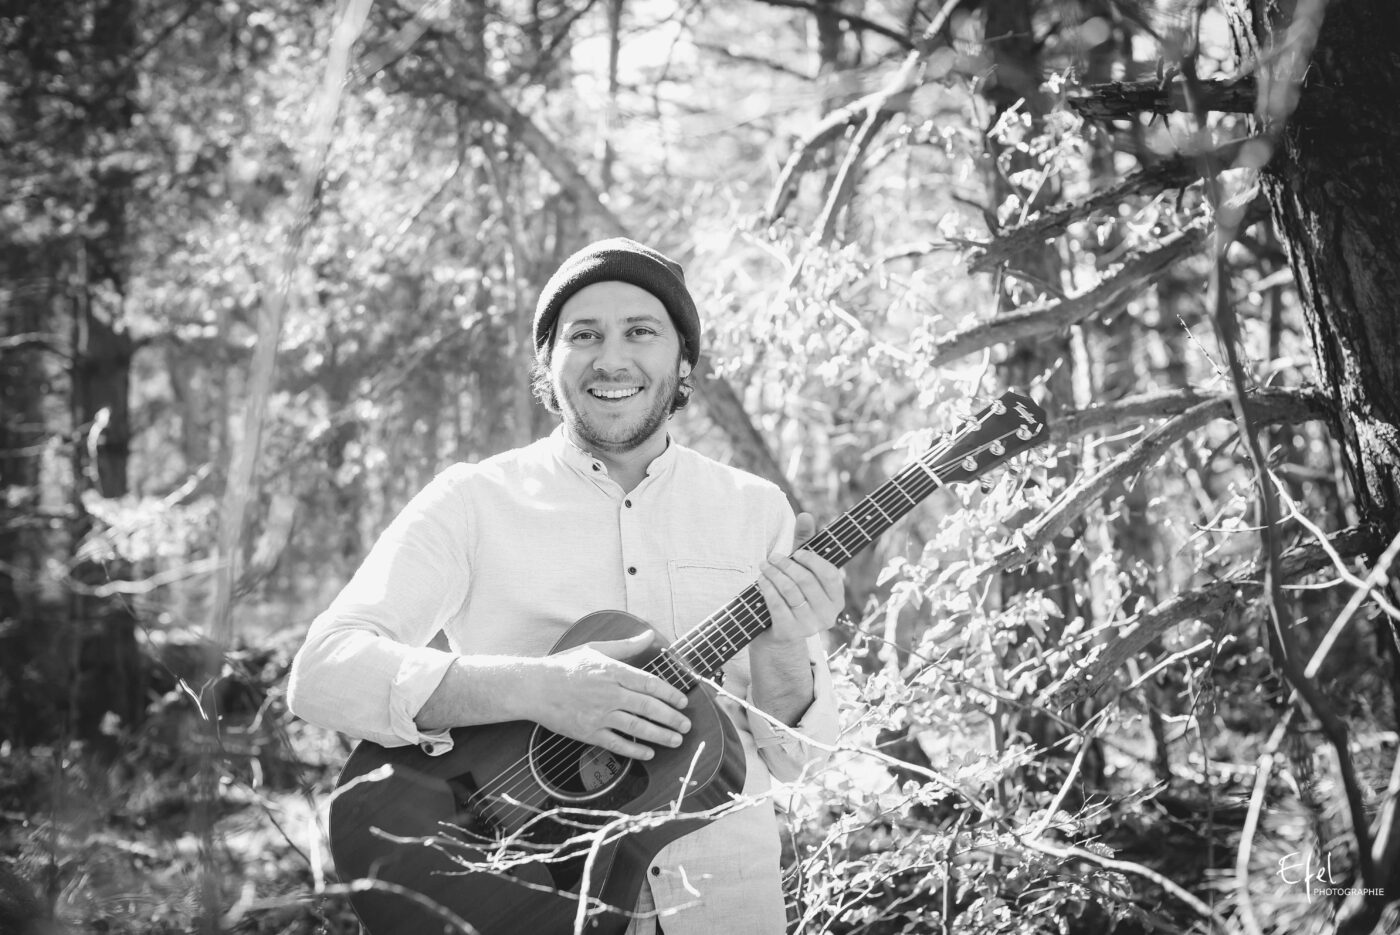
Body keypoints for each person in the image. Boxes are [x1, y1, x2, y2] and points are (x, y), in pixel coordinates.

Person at [287, 237, 841, 935]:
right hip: (520, 902)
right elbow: (324, 672)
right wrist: (539, 688)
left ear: (683, 361)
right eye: (584, 335)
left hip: (725, 907)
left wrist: (784, 645)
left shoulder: (755, 510)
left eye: (641, 331)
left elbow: (799, 761)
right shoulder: (472, 501)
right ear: (548, 363)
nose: (612, 359)